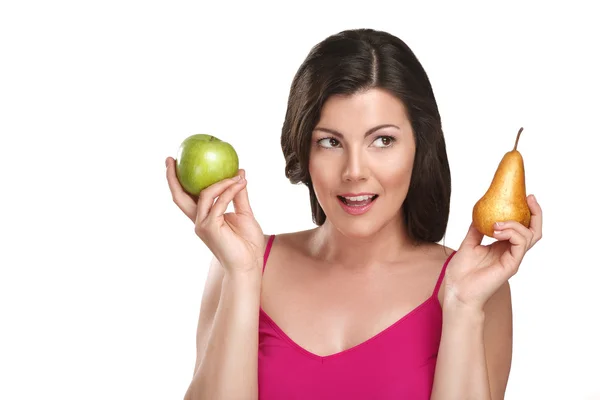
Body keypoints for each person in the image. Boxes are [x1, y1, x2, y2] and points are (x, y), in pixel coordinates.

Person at [165, 28, 543, 400]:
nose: (354, 171)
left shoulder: (475, 286)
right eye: (330, 142)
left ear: (419, 147)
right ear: (304, 150)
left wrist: (462, 307)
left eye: (383, 140)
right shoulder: (241, 265)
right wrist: (243, 275)